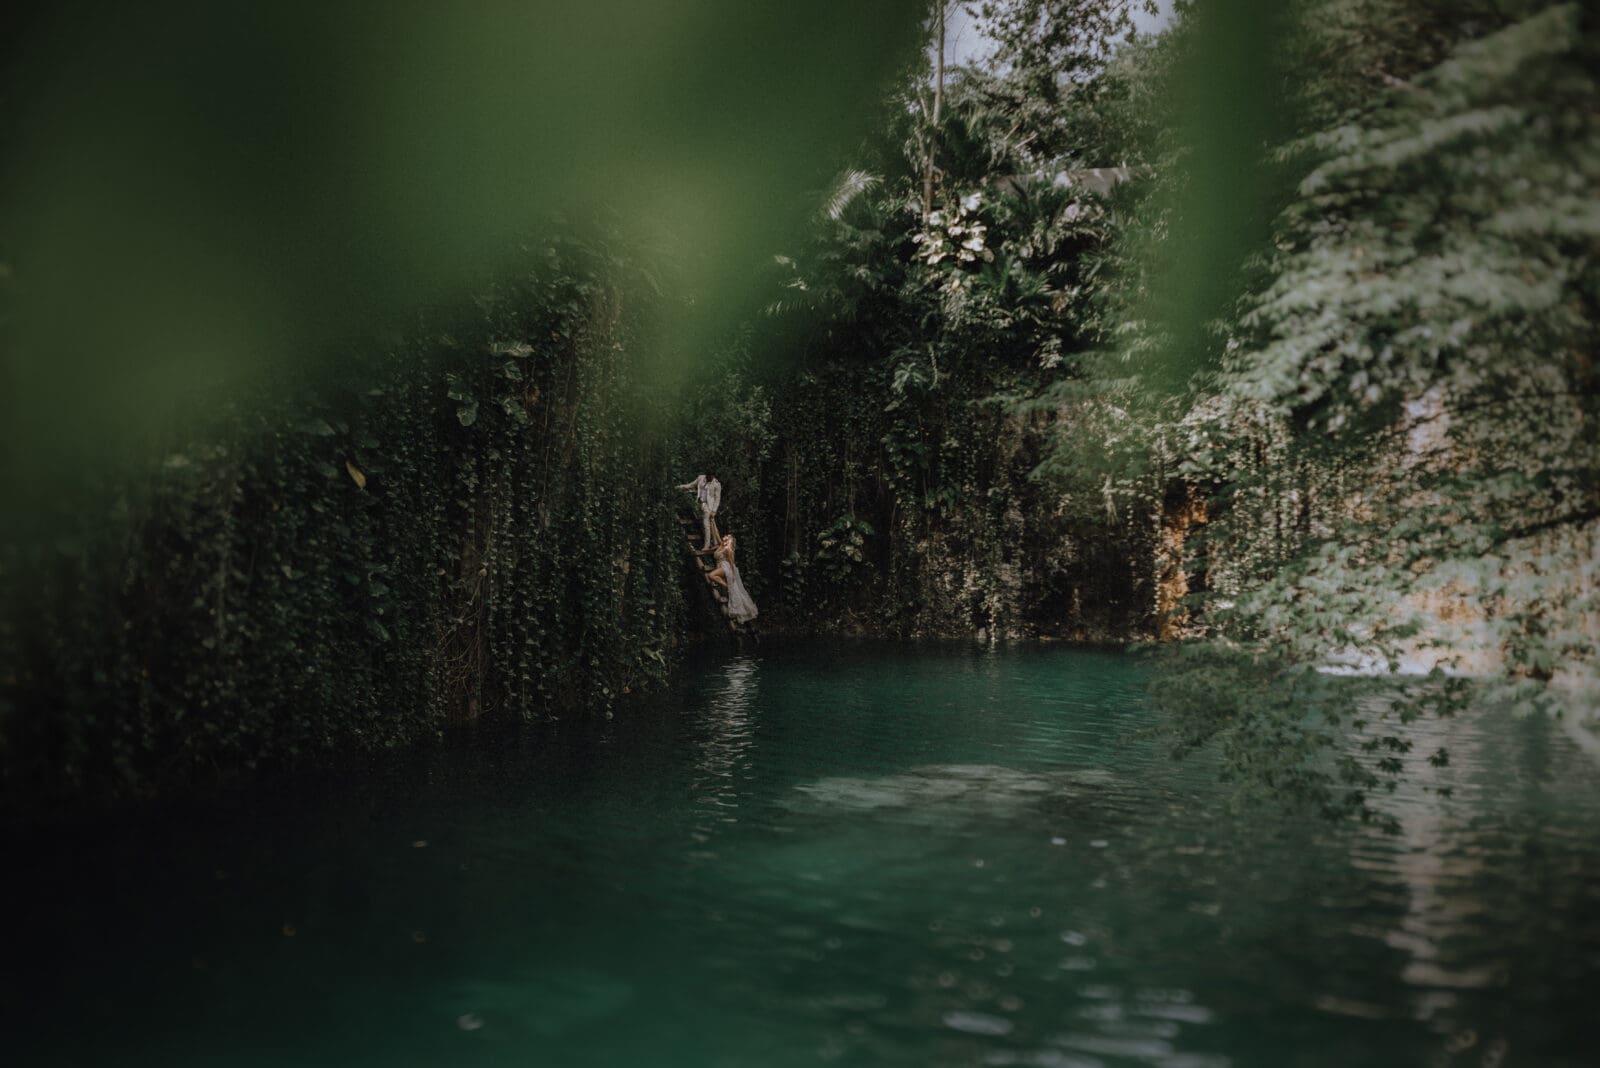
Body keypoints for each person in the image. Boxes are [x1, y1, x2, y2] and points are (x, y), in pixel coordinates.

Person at [698, 533, 758, 624]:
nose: (725, 536)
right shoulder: (721, 545)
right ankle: (727, 586)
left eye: (728, 536)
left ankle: (727, 586)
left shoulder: (727, 549)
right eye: (726, 535)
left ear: (729, 540)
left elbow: (731, 563)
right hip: (721, 567)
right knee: (713, 577)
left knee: (711, 575)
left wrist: (733, 575)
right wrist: (713, 521)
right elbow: (717, 534)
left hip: (725, 567)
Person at [677, 472, 722, 551]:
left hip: (709, 506)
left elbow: (717, 498)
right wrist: (679, 487)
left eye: (712, 476)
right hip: (701, 504)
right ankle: (715, 543)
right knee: (711, 524)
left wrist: (714, 511)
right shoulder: (701, 478)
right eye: (709, 475)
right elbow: (691, 485)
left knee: (706, 524)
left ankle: (707, 546)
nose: (710, 477)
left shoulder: (716, 484)